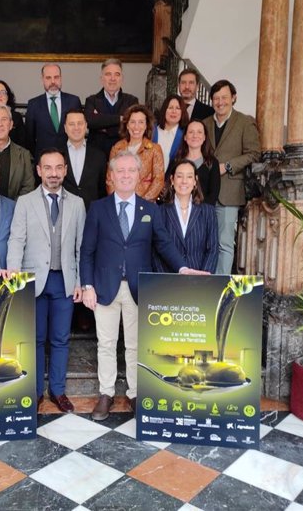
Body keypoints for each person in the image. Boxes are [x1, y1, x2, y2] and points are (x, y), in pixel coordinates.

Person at [80, 151, 202, 421]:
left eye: (130, 171)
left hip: (138, 287)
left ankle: (135, 393)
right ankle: (106, 393)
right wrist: (87, 284)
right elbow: (86, 251)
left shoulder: (150, 209)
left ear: (138, 175)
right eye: (120, 171)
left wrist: (182, 267)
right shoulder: (98, 208)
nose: (125, 175)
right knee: (106, 343)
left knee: (135, 345)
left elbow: (164, 244)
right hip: (104, 287)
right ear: (111, 176)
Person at [7, 149, 86, 413]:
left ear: (65, 170)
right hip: (33, 280)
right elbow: (17, 240)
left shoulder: (77, 203)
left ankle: (58, 391)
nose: (53, 173)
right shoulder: (25, 202)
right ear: (39, 171)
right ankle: (36, 392)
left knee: (61, 339)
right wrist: (14, 275)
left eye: (58, 168)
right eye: (47, 168)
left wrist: (81, 281)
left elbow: (81, 247)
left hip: (65, 280)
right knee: (37, 338)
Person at [203, 80, 261, 274]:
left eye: (224, 97)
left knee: (225, 243)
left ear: (233, 98)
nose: (220, 102)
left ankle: (220, 288)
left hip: (228, 191)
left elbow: (254, 153)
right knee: (203, 242)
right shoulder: (205, 124)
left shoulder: (244, 122)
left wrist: (227, 166)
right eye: (216, 98)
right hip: (204, 192)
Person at [155, 159, 218, 273]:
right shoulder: (159, 212)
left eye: (189, 177)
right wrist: (163, 278)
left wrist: (203, 277)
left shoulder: (208, 212)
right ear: (172, 180)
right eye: (179, 176)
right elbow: (155, 250)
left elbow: (212, 249)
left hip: (199, 281)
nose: (184, 181)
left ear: (195, 181)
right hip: (167, 282)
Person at [107, 105, 164, 202]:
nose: (136, 126)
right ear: (127, 125)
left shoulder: (155, 149)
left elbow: (158, 180)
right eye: (132, 122)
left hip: (145, 204)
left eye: (141, 122)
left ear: (146, 126)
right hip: (120, 204)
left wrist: (141, 203)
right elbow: (110, 179)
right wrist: (119, 202)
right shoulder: (117, 148)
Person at [26, 64, 82, 161]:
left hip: (70, 160)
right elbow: (29, 138)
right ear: (42, 79)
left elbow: (80, 132)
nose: (53, 82)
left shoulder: (74, 101)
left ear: (61, 78)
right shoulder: (33, 104)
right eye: (48, 78)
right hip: (43, 161)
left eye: (56, 77)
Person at [84, 58, 139, 158]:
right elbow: (91, 121)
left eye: (117, 74)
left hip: (124, 155)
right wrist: (120, 119)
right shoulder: (91, 100)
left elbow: (132, 125)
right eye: (108, 74)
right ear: (101, 79)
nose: (112, 78)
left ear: (122, 78)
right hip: (96, 156)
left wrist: (102, 124)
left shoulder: (132, 101)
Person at [62, 109, 107, 210]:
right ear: (65, 128)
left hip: (92, 212)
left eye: (80, 123)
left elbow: (102, 190)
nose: (76, 128)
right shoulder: (57, 154)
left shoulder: (99, 155)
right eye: (72, 124)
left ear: (86, 126)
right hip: (63, 212)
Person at [172, 120, 221, 206]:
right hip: (178, 211)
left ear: (204, 137)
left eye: (199, 132)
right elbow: (170, 188)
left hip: (203, 213)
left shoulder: (212, 162)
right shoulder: (176, 161)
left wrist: (198, 211)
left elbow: (214, 194)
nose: (195, 135)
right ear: (185, 137)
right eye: (191, 132)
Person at [152, 94, 188, 171]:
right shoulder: (151, 130)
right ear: (164, 110)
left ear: (182, 112)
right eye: (170, 107)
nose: (174, 111)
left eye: (178, 108)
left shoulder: (185, 135)